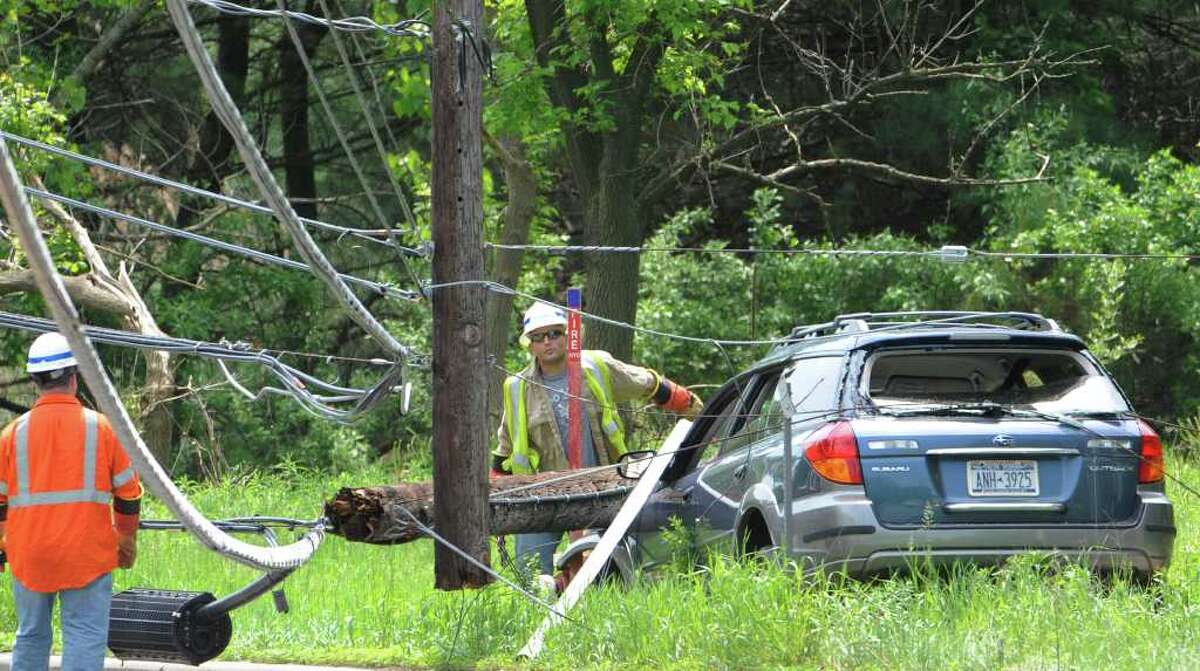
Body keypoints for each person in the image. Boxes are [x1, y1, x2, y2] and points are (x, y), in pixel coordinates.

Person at [492, 301, 701, 584]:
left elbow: (645, 383)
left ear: (567, 334)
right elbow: (504, 453)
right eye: (538, 337)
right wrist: (498, 505)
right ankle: (551, 597)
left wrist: (691, 409)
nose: (547, 341)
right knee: (527, 574)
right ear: (529, 345)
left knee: (606, 570)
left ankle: (575, 589)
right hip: (543, 496)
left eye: (554, 333)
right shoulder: (516, 388)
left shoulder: (595, 367)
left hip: (600, 488)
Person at [0, 332, 142, 671]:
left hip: (30, 556)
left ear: (35, 381)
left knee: (31, 636)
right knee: (84, 636)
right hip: (86, 555)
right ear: (74, 378)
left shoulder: (10, 436)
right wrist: (126, 541)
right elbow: (128, 495)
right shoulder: (103, 429)